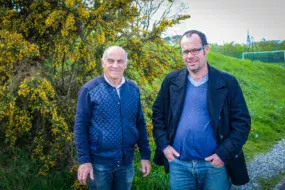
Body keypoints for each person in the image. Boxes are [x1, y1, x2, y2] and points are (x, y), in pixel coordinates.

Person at [152, 30, 251, 189]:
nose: (190, 56)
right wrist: (164, 146)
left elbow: (242, 123)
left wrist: (223, 154)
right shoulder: (171, 81)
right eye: (185, 51)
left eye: (195, 50)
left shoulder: (227, 82)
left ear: (206, 49)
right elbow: (158, 115)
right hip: (179, 166)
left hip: (214, 166)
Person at [74, 46, 151, 190]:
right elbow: (80, 127)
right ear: (103, 63)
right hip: (99, 164)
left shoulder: (133, 89)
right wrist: (84, 160)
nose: (115, 65)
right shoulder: (89, 90)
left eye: (120, 61)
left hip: (126, 163)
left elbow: (140, 123)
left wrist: (145, 155)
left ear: (126, 64)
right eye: (111, 61)